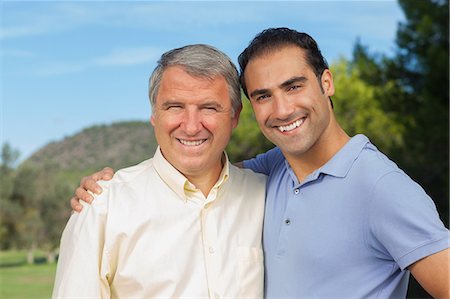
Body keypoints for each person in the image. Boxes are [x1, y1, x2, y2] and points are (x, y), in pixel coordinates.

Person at [71, 28, 450, 298]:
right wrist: (109, 188)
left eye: (294, 86)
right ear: (248, 109)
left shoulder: (382, 187)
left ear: (327, 83)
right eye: (263, 95)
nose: (282, 110)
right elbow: (197, 159)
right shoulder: (266, 174)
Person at [53, 44, 266, 298]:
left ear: (234, 116)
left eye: (209, 107)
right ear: (154, 113)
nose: (190, 126)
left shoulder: (266, 195)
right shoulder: (102, 207)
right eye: (175, 106)